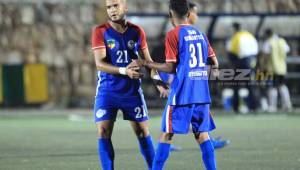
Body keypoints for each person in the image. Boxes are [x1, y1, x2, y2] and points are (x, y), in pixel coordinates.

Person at [136, 0, 218, 169]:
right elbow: (214, 63)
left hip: (182, 94)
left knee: (166, 134)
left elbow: (170, 67)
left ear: (170, 15)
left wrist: (145, 63)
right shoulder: (201, 34)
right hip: (201, 93)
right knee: (202, 135)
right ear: (188, 14)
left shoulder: (173, 35)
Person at [91, 0, 167, 169]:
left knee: (142, 132)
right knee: (103, 132)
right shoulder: (100, 31)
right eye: (108, 7)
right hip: (107, 91)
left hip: (131, 92)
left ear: (125, 7)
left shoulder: (137, 32)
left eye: (115, 6)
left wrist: (158, 82)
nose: (112, 10)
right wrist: (125, 71)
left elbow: (148, 62)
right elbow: (100, 64)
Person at [226, 22, 259, 113]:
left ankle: (236, 107)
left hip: (241, 62)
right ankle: (254, 106)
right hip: (251, 63)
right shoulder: (250, 36)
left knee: (236, 85)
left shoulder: (236, 37)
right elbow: (256, 51)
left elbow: (231, 53)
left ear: (235, 29)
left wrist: (233, 64)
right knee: (250, 85)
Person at [262, 28, 292, 112]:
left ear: (267, 34)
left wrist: (263, 66)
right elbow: (287, 50)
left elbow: (265, 56)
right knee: (282, 85)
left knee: (272, 87)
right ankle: (287, 104)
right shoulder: (281, 41)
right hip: (282, 68)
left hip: (271, 68)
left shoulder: (268, 42)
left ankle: (272, 106)